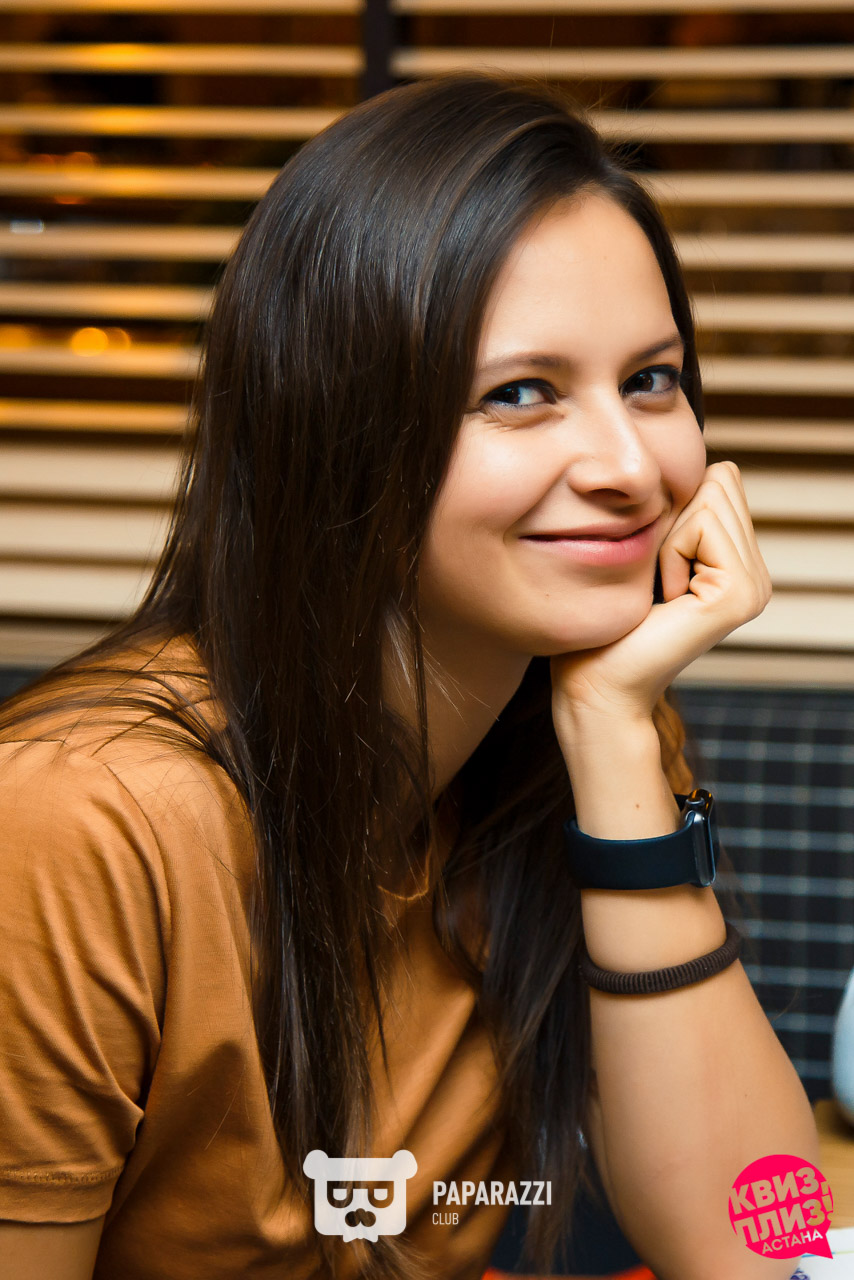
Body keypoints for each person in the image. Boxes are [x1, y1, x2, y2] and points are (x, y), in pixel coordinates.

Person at [0, 74, 819, 1280]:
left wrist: (611, 728)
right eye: (520, 393)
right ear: (339, 426)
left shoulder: (576, 726)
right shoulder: (79, 820)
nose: (629, 466)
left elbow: (751, 1245)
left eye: (651, 378)